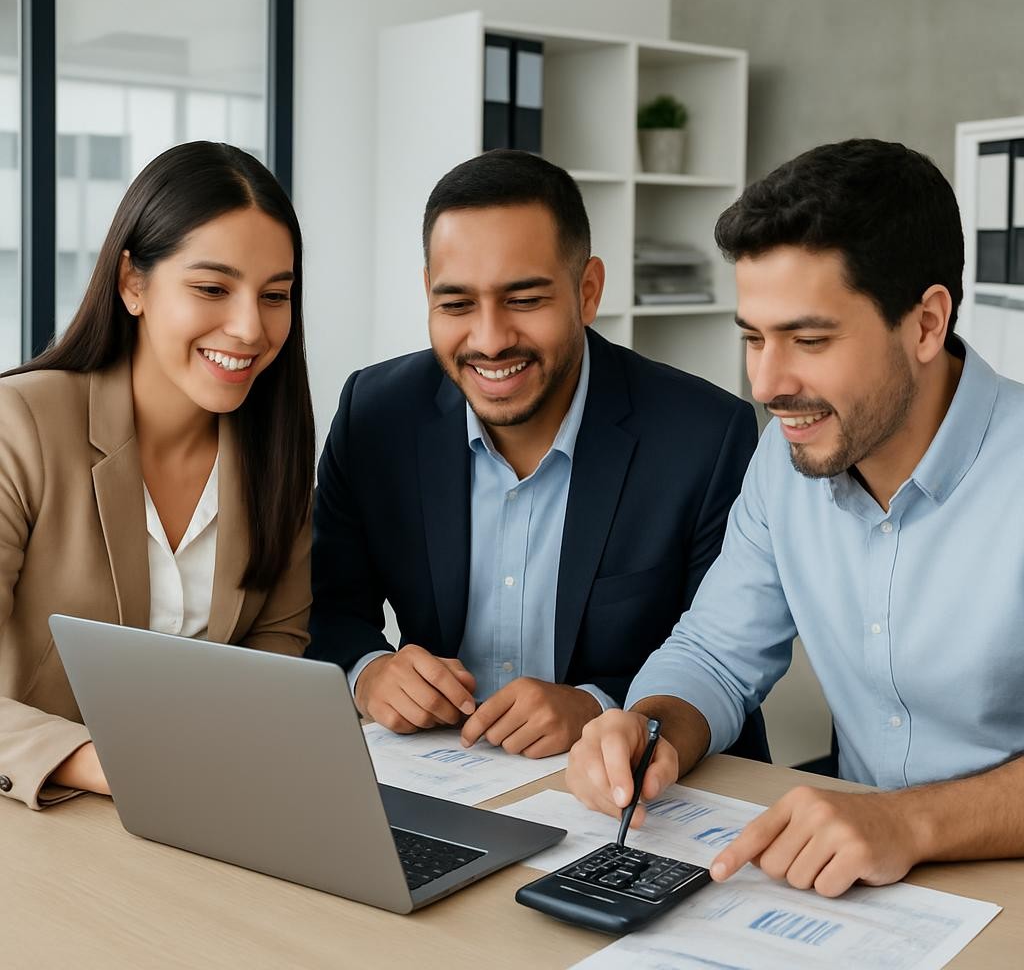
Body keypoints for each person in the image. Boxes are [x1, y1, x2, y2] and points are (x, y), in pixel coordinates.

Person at [567, 138, 1024, 896]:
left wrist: (908, 823)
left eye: (809, 340)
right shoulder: (787, 460)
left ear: (925, 323)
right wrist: (647, 729)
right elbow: (715, 654)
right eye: (753, 337)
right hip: (866, 891)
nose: (766, 382)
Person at [307, 149, 767, 760]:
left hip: (641, 790)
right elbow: (322, 607)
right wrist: (368, 670)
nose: (491, 339)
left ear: (588, 290)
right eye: (457, 303)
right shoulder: (375, 413)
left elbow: (722, 654)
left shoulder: (703, 436)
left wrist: (598, 705)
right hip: (440, 774)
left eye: (524, 300)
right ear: (428, 293)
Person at [0, 141, 315, 810]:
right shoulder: (19, 426)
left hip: (197, 813)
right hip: (34, 816)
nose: (249, 327)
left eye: (276, 295)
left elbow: (274, 663)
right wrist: (109, 764)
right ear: (132, 283)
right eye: (211, 288)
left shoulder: (277, 460)